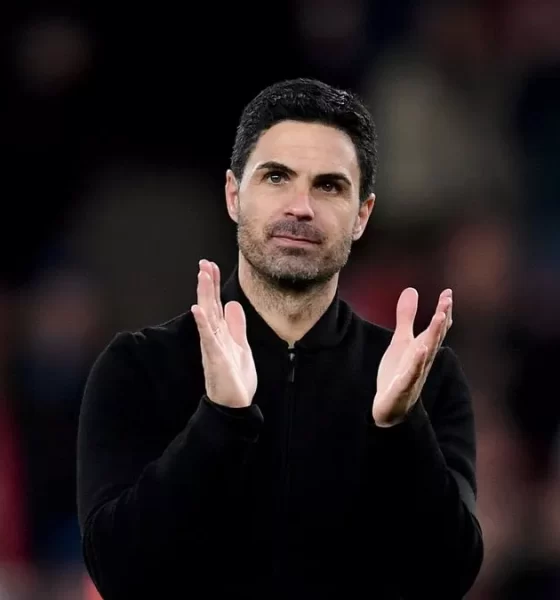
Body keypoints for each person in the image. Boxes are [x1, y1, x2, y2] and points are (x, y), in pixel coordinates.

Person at [76, 78, 483, 599]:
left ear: (362, 216)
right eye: (276, 177)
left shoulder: (425, 379)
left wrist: (401, 428)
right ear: (233, 195)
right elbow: (118, 573)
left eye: (329, 186)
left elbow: (449, 576)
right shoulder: (137, 367)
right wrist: (219, 422)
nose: (300, 207)